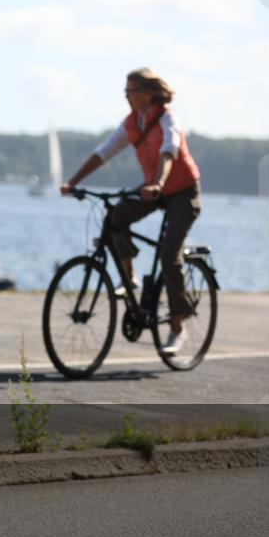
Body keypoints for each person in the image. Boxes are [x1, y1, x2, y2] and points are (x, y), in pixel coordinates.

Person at [60, 68, 202, 355]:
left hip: (182, 190)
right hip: (153, 187)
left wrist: (159, 183)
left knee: (169, 254)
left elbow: (169, 151)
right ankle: (130, 276)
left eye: (132, 91)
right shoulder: (132, 123)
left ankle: (177, 327)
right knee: (116, 217)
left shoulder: (167, 118)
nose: (127, 96)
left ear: (149, 92)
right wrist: (73, 182)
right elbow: (104, 152)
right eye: (125, 92)